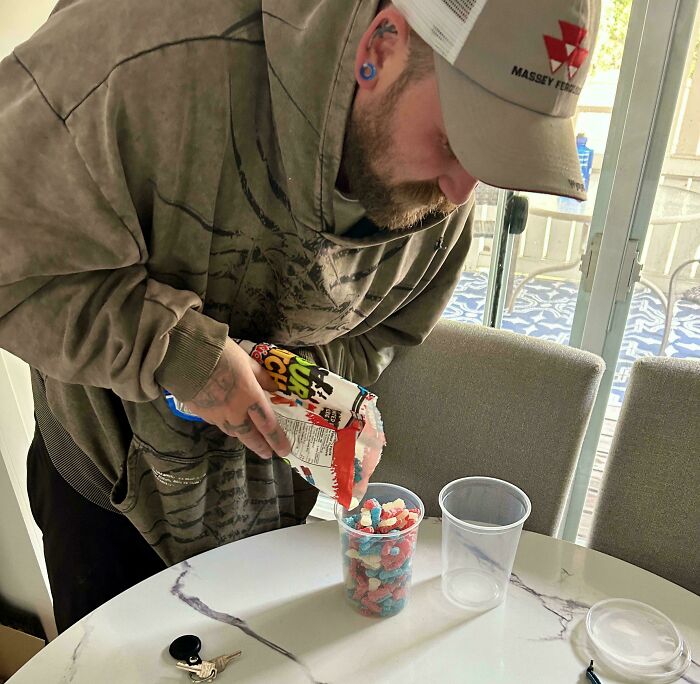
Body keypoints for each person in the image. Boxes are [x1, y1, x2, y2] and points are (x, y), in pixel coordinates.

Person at [0, 0, 599, 632]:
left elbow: (390, 329)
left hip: (264, 505)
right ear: (380, 46)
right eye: (453, 142)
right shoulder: (138, 55)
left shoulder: (448, 195)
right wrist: (180, 353)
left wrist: (299, 385)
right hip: (109, 486)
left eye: (490, 159)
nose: (459, 192)